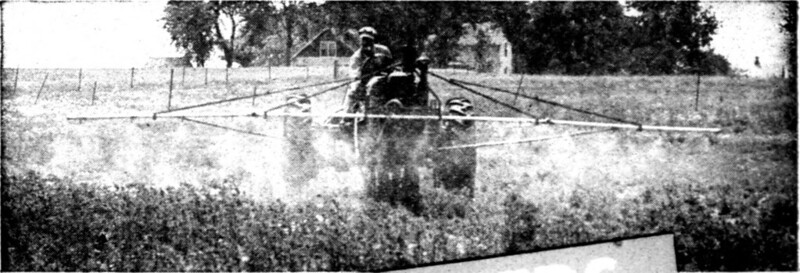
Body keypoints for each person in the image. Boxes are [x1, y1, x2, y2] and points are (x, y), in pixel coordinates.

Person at [342, 26, 393, 115]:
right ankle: (347, 117)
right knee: (353, 89)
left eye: (369, 41)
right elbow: (355, 73)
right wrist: (358, 77)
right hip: (364, 82)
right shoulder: (356, 57)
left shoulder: (384, 50)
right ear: (361, 41)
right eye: (364, 41)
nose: (367, 44)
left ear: (373, 41)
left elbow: (391, 65)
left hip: (385, 80)